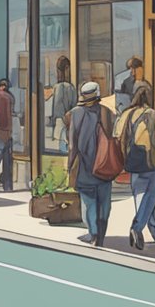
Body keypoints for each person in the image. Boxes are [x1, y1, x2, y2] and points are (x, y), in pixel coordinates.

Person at [67, 81, 114, 247]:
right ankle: (101, 234)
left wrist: (70, 165)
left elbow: (72, 145)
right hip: (104, 165)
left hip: (85, 166)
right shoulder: (107, 112)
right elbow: (113, 138)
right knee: (104, 202)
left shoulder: (75, 114)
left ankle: (93, 233)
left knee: (89, 201)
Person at [117, 82, 155, 249]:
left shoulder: (126, 114)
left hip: (133, 162)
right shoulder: (153, 114)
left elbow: (117, 135)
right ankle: (136, 228)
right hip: (152, 162)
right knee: (151, 197)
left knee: (143, 198)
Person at [49, 56, 77, 153]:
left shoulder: (57, 86)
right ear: (66, 68)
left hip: (59, 122)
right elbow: (73, 105)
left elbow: (56, 106)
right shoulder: (70, 87)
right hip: (67, 121)